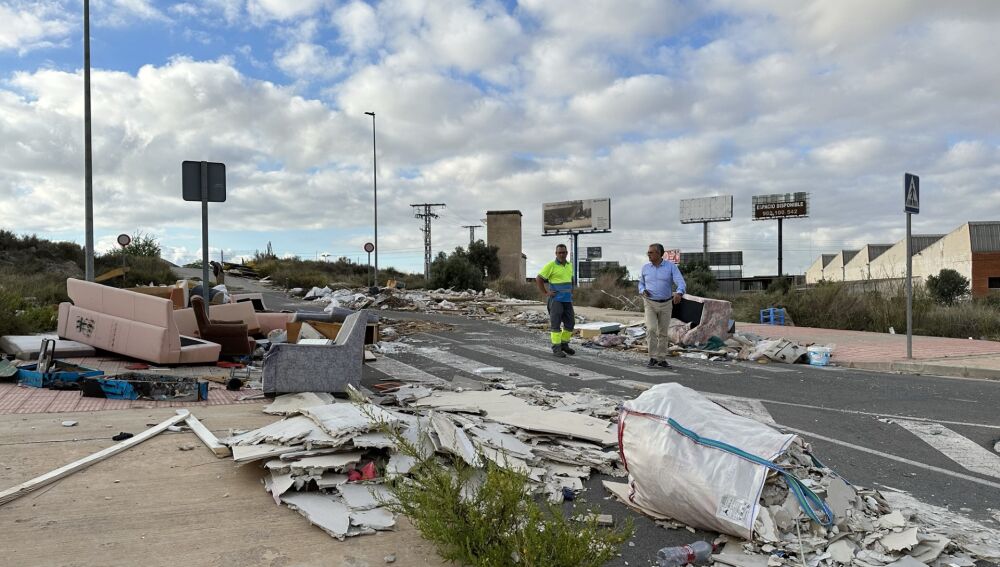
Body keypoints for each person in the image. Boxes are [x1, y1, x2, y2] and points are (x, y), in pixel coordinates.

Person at [638, 243, 686, 368]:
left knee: (663, 332)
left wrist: (679, 293)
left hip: (666, 303)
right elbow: (641, 284)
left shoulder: (671, 267)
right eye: (648, 252)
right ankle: (653, 357)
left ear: (659, 254)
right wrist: (642, 290)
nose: (648, 254)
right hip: (650, 302)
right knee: (651, 329)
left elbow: (680, 282)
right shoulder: (645, 268)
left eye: (651, 252)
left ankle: (661, 358)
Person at [536, 243, 576, 358]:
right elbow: (539, 278)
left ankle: (564, 345)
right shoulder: (551, 265)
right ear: (556, 253)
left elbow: (571, 279)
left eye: (564, 252)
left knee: (570, 323)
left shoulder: (569, 265)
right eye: (559, 252)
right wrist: (545, 293)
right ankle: (556, 348)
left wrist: (572, 290)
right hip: (556, 300)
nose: (562, 254)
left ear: (567, 253)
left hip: (567, 300)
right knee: (556, 324)